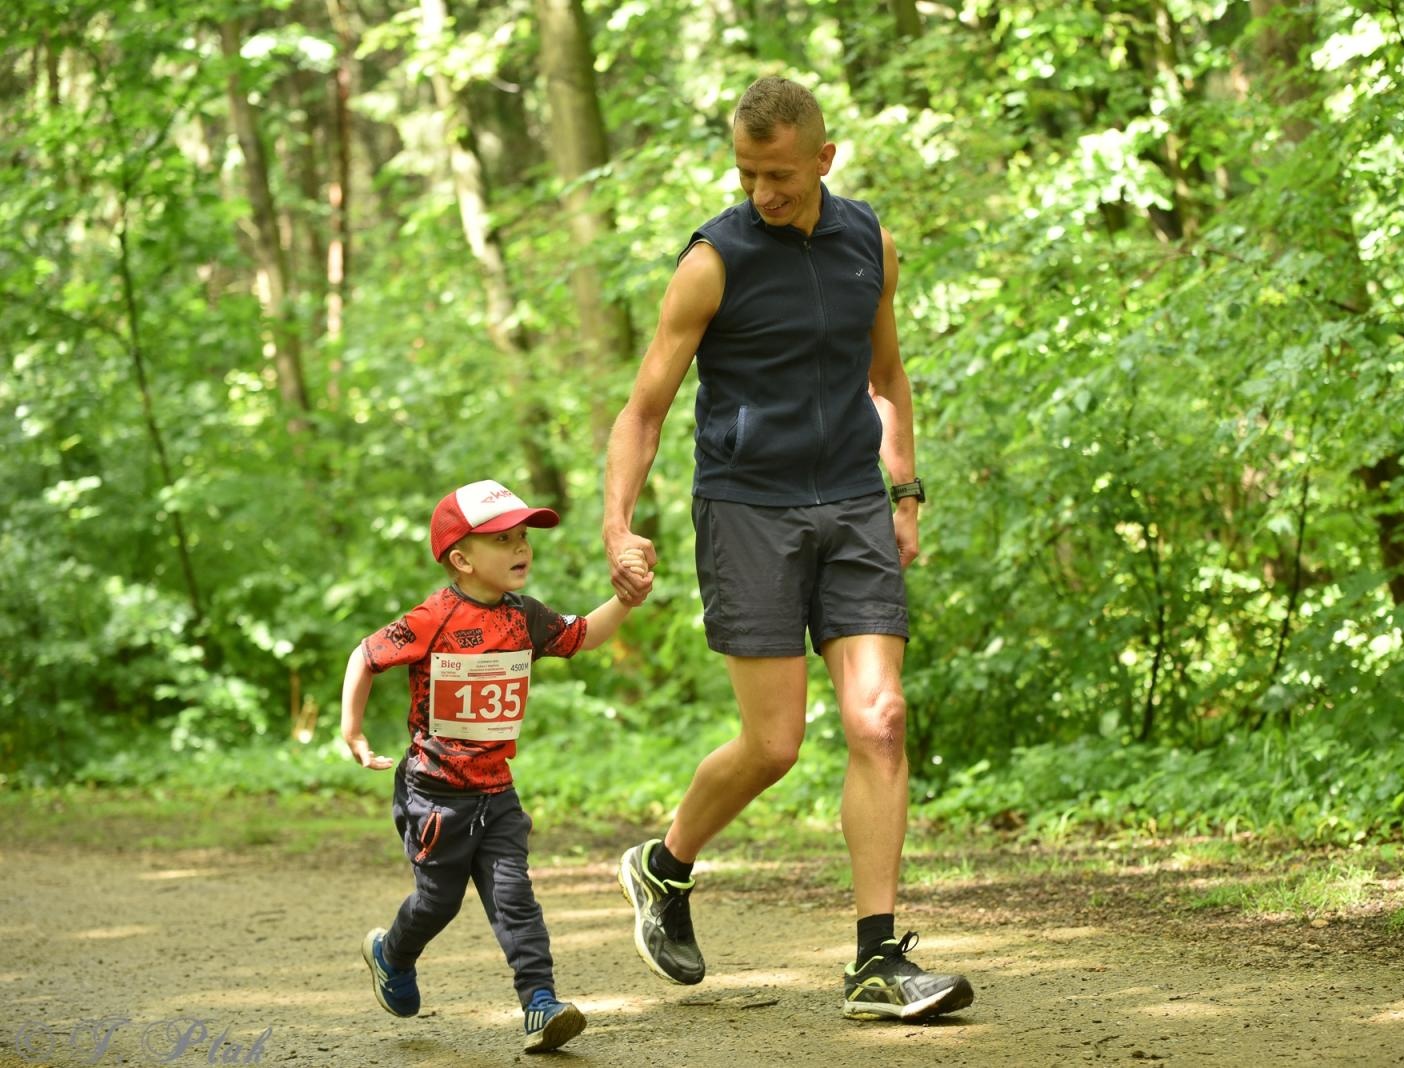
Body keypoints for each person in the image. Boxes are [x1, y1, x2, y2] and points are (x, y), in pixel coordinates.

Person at [602, 75, 972, 1022]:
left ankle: (877, 958)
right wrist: (618, 522)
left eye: (778, 174)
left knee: (880, 719)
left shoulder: (868, 243)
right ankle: (664, 864)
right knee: (774, 745)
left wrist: (906, 490)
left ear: (823, 158)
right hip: (748, 509)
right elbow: (644, 408)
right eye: (746, 173)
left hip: (852, 501)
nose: (762, 191)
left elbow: (887, 377)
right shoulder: (713, 260)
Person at [340, 478, 652, 1053]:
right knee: (439, 901)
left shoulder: (525, 617)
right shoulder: (434, 616)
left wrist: (627, 599)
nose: (521, 549)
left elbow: (582, 636)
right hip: (433, 795)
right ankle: (392, 953)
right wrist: (352, 731)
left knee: (515, 897)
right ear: (461, 558)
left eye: (523, 538)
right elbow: (366, 655)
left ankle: (540, 1003)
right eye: (503, 540)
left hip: (497, 794)